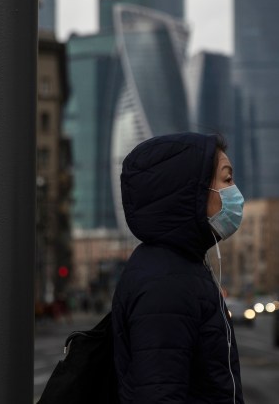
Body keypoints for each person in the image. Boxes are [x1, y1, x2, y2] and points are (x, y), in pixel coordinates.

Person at [112, 132, 245, 403]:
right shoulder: (166, 283)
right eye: (227, 179)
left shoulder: (177, 266)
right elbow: (160, 394)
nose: (236, 193)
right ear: (191, 190)